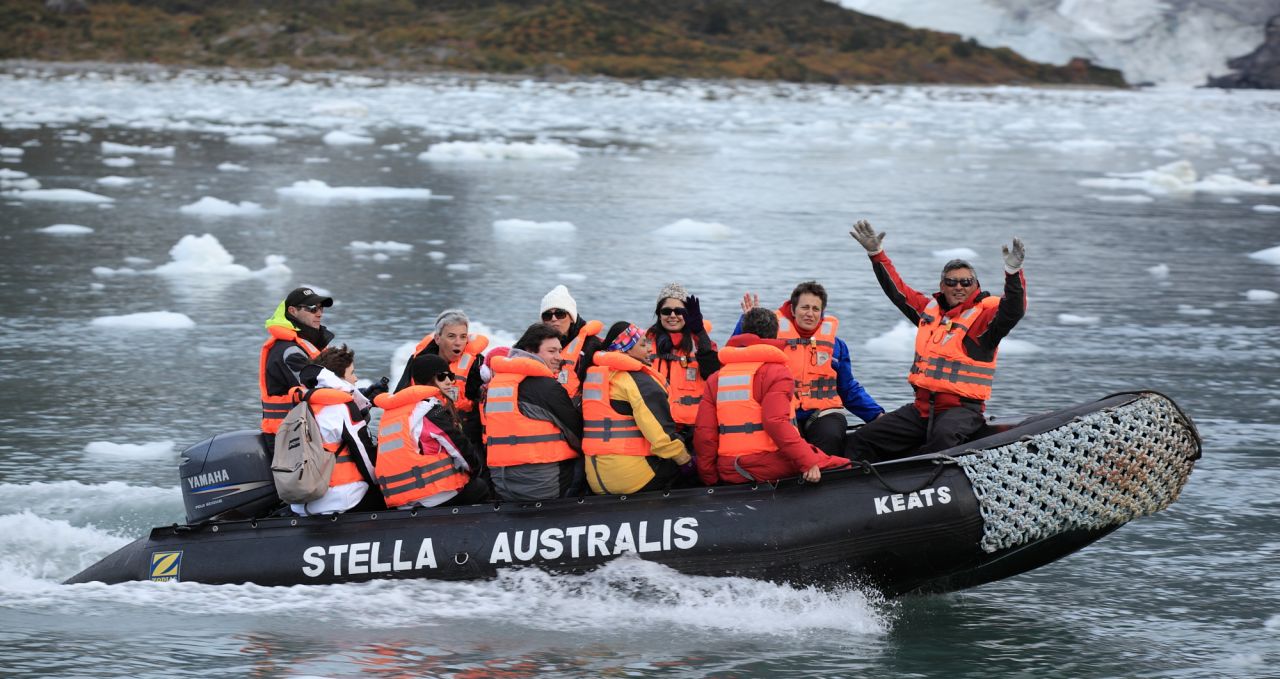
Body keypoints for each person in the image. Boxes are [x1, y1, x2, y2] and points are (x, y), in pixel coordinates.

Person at [847, 219, 1027, 459]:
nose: (959, 287)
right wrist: (876, 254)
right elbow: (898, 292)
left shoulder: (984, 320)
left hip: (961, 411)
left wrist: (1013, 274)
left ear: (976, 286)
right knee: (863, 439)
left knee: (941, 441)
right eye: (951, 282)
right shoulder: (929, 312)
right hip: (921, 410)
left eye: (966, 282)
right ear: (942, 286)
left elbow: (1013, 310)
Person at [695, 308, 851, 485]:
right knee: (842, 465)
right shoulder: (776, 373)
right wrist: (807, 462)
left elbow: (705, 434)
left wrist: (710, 480)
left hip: (728, 468)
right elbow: (776, 422)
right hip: (764, 465)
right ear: (776, 335)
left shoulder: (717, 378)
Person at [738, 281, 884, 457]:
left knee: (829, 435)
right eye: (804, 307)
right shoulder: (769, 336)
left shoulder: (836, 346)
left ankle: (830, 478)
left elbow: (848, 388)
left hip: (824, 412)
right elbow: (739, 354)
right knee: (785, 441)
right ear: (792, 310)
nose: (810, 314)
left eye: (816, 309)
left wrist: (876, 415)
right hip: (783, 413)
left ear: (822, 313)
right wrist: (747, 324)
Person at [583, 322, 694, 495]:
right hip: (632, 479)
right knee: (688, 471)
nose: (650, 349)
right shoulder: (638, 381)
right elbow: (662, 438)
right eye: (643, 344)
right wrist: (686, 462)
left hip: (596, 479)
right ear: (625, 350)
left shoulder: (595, 376)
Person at [373, 353, 493, 509]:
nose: (449, 381)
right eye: (442, 377)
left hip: (399, 500)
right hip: (431, 496)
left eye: (450, 375)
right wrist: (476, 470)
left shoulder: (393, 412)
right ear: (428, 380)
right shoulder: (431, 410)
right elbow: (460, 448)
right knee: (480, 487)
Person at [484, 323, 584, 501]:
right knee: (592, 455)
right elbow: (578, 435)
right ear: (530, 351)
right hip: (541, 486)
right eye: (552, 351)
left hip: (501, 483)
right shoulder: (546, 387)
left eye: (560, 351)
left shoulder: (496, 383)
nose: (559, 358)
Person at [289, 344, 381, 516]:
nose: (356, 379)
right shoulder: (342, 407)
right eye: (352, 373)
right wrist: (381, 483)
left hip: (303, 504)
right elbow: (364, 455)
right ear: (339, 378)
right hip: (340, 498)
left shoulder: (301, 405)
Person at [393, 309, 489, 449]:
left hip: (464, 436)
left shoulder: (476, 364)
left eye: (463, 337)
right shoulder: (419, 362)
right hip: (424, 431)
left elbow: (482, 407)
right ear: (438, 339)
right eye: (451, 336)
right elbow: (401, 395)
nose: (458, 343)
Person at [260, 287, 335, 446]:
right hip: (288, 438)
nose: (319, 313)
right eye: (312, 309)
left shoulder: (309, 345)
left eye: (320, 308)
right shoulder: (289, 351)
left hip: (305, 431)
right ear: (293, 311)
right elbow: (318, 388)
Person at [646, 283, 719, 443]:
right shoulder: (643, 344)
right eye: (666, 311)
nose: (673, 315)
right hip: (653, 429)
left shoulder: (700, 343)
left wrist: (699, 332)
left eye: (679, 311)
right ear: (659, 314)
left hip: (692, 430)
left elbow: (713, 372)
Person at [539, 284, 603, 400]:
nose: (554, 319)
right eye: (547, 315)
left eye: (560, 314)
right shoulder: (536, 345)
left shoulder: (591, 346)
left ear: (571, 318)